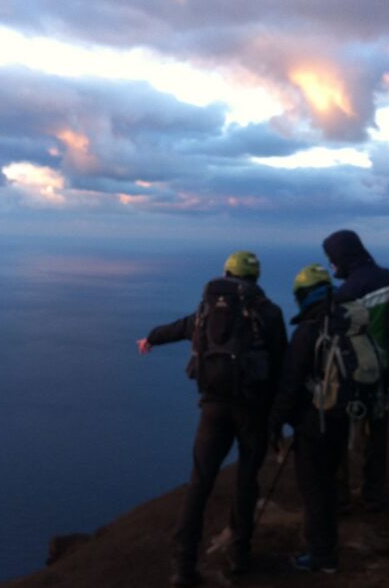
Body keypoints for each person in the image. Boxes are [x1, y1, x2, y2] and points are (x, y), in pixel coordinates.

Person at [137, 251, 287, 587]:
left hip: (213, 408)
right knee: (247, 480)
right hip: (253, 409)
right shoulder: (268, 312)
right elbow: (280, 365)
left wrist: (150, 338)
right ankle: (239, 556)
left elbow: (181, 328)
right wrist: (280, 414)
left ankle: (183, 566)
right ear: (255, 278)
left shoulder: (208, 311)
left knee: (200, 483)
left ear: (226, 273)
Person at [268, 263, 348, 574]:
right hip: (345, 418)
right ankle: (328, 547)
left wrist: (275, 423)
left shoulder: (309, 331)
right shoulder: (347, 320)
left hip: (315, 424)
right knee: (328, 485)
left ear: (304, 294)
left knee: (314, 489)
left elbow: (290, 385)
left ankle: (322, 557)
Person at [322, 229, 389, 511]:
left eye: (332, 258)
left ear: (343, 257)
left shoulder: (349, 292)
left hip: (356, 371)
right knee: (377, 431)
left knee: (337, 428)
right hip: (386, 366)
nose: (332, 265)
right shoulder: (388, 278)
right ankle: (374, 493)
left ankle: (340, 497)